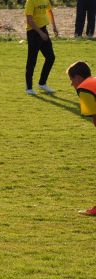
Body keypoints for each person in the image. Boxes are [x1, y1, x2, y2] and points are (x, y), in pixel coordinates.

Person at [66, 61, 96, 216]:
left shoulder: (84, 88)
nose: (72, 84)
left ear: (77, 77)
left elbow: (94, 117)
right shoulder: (94, 81)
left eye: (71, 80)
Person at [24, 0, 58, 96]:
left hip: (43, 30)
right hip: (33, 32)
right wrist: (40, 33)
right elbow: (29, 19)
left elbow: (49, 11)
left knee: (51, 57)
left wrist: (54, 27)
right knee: (32, 60)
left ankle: (42, 83)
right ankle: (29, 88)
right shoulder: (30, 1)